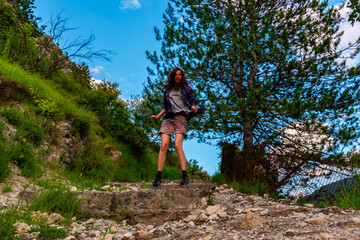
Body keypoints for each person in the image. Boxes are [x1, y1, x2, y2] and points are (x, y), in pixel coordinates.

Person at [151, 67, 205, 187]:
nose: (177, 76)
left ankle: (184, 175)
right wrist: (157, 116)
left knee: (177, 145)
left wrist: (194, 107)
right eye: (175, 74)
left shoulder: (187, 89)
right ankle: (158, 176)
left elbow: (192, 100)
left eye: (180, 75)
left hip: (181, 117)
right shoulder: (167, 90)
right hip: (168, 118)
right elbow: (166, 106)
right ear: (172, 76)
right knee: (163, 145)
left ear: (182, 77)